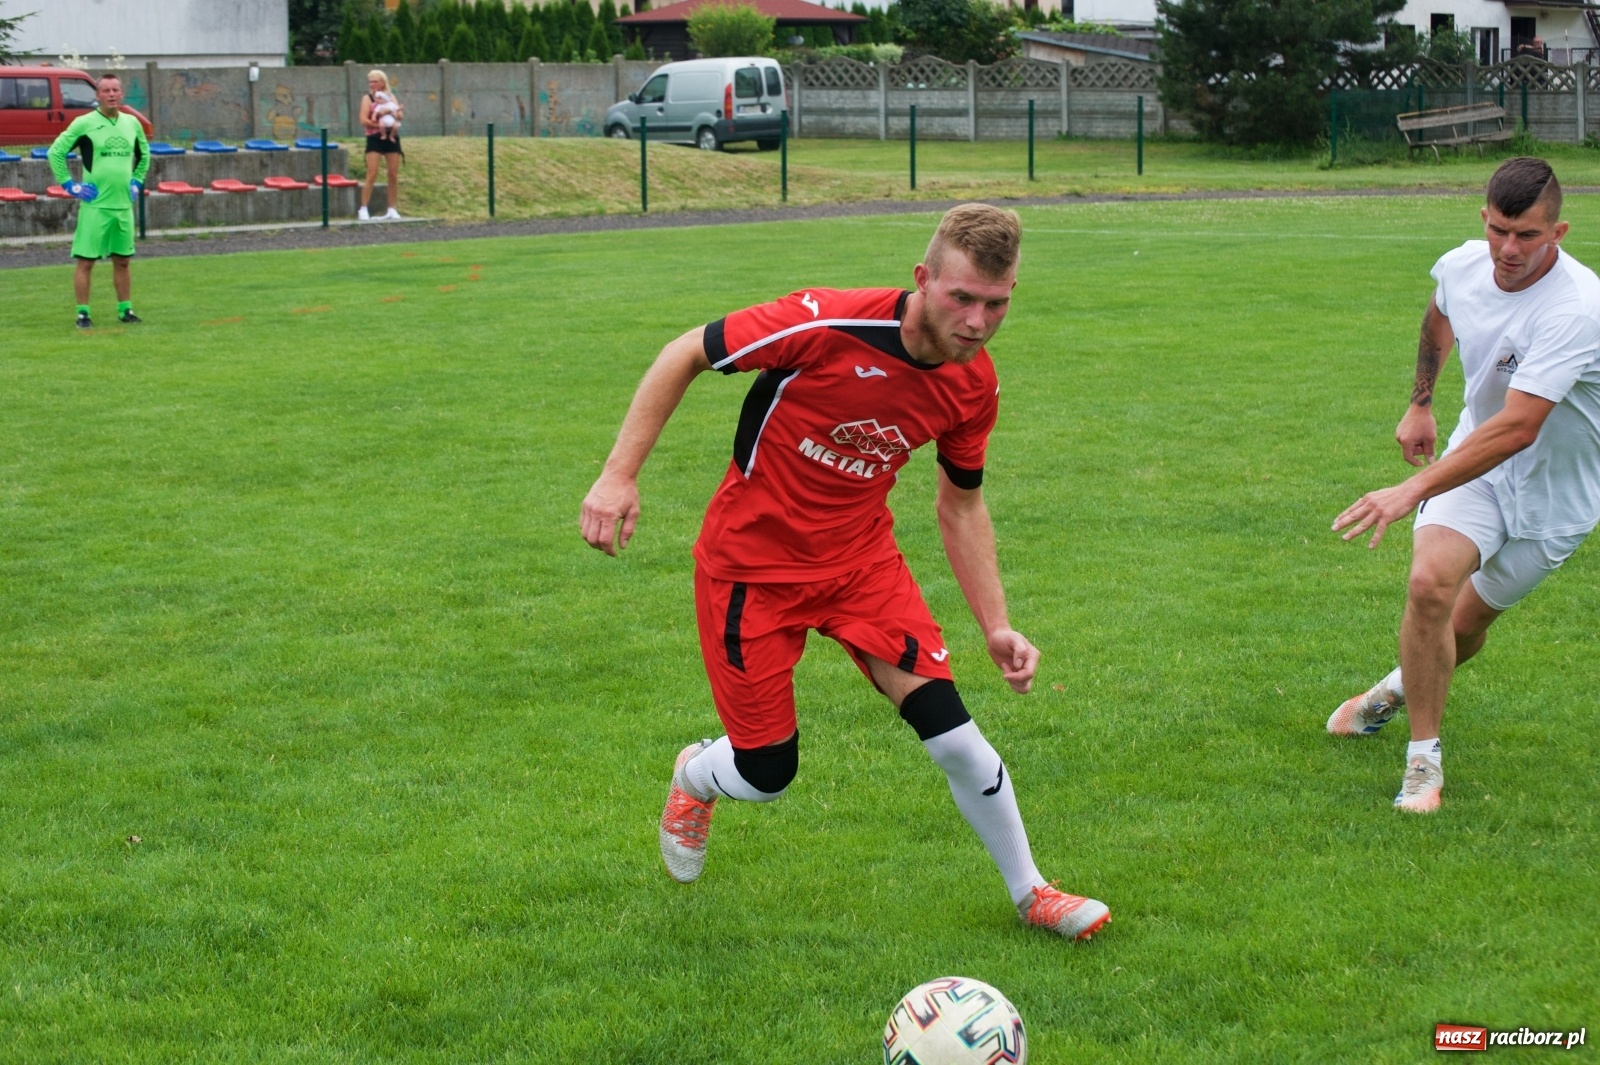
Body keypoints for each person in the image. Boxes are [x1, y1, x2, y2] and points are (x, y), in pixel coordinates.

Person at [580, 204, 1111, 941]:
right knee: (766, 773)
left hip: (862, 565)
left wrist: (996, 624)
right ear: (923, 280)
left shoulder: (972, 386)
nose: (979, 321)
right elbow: (686, 353)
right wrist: (618, 475)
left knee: (956, 737)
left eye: (997, 303)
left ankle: (1033, 892)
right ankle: (697, 774)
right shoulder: (827, 323)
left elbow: (961, 506)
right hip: (750, 571)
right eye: (963, 297)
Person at [1330, 157, 1600, 813]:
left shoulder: (1579, 307)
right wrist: (1421, 402)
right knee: (1428, 586)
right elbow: (1439, 314)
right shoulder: (1463, 265)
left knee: (1465, 624)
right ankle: (1423, 763)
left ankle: (1395, 686)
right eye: (1500, 230)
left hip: (1556, 497)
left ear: (1558, 231)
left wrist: (1405, 492)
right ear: (1485, 218)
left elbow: (1518, 427)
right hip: (1475, 465)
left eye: (1528, 236)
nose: (1510, 250)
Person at [47, 73, 150, 329]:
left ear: (121, 94)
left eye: (116, 89)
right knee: (86, 261)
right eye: (106, 90)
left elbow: (144, 156)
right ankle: (83, 313)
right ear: (97, 95)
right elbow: (55, 152)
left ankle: (125, 310)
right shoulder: (84, 123)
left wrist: (136, 181)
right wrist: (70, 185)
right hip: (95, 207)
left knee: (123, 260)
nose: (111, 94)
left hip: (123, 206)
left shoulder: (132, 123)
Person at [357, 69, 403, 222]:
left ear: (383, 82)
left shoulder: (391, 97)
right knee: (372, 173)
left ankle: (392, 208)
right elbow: (364, 120)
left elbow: (400, 114)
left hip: (391, 137)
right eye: (370, 81)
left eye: (375, 81)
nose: (372, 84)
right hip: (374, 137)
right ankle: (363, 208)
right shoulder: (368, 98)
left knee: (393, 174)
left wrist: (391, 113)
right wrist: (379, 124)